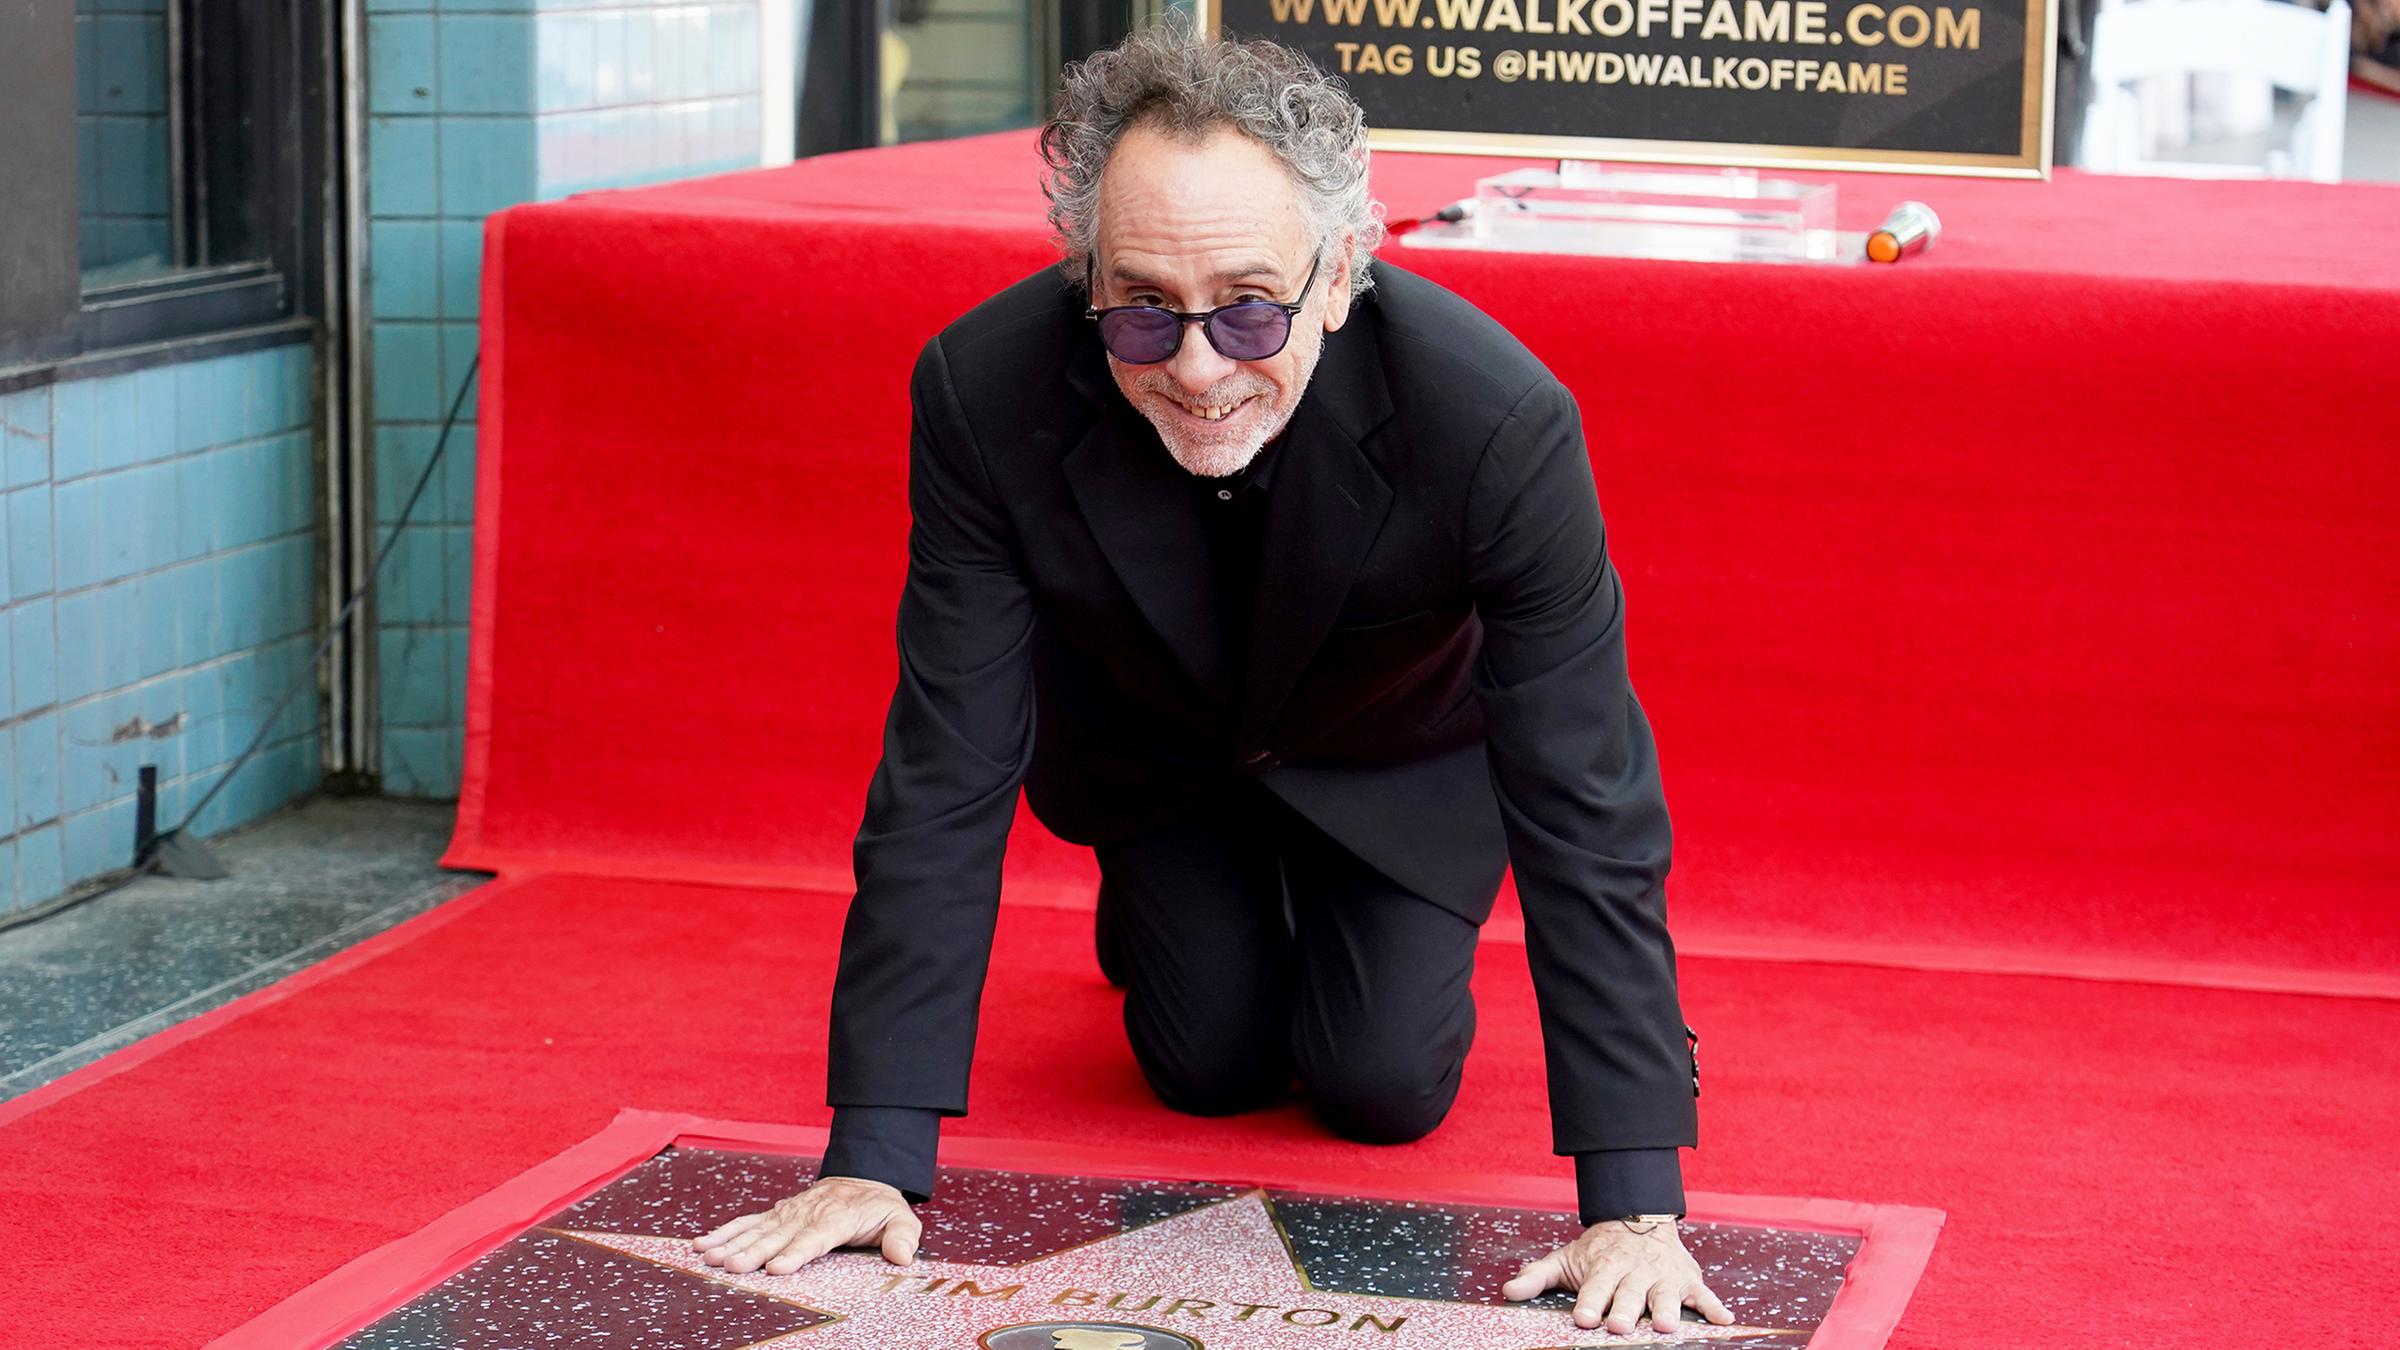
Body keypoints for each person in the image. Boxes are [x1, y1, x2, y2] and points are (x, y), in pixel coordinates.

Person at [692, 21, 1726, 1341]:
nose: (1195, 366)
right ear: (1087, 278)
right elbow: (944, 768)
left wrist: (1635, 1193)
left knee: (1382, 1081)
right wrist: (873, 1149)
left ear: (1342, 270)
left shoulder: (1497, 422)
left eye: (1249, 307)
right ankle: (1167, 913)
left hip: (1393, 764)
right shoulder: (979, 388)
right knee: (1206, 1064)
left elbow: (1588, 793)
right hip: (1161, 761)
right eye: (1140, 309)